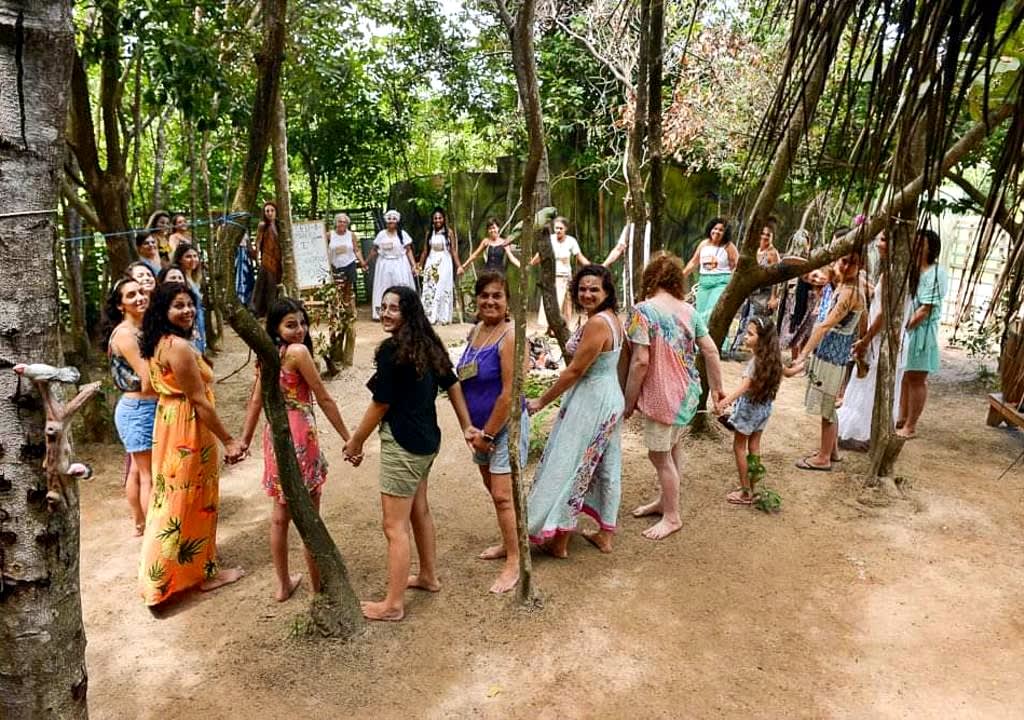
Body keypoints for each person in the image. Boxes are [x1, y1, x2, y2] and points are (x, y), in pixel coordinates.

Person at [343, 286, 476, 621]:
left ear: (409, 313)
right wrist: (464, 426)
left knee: (393, 526)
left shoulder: (393, 350)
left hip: (403, 444)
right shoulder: (428, 344)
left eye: (394, 308)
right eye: (383, 306)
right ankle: (428, 575)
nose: (386, 313)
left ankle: (393, 604)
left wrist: (356, 441)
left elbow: (381, 403)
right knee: (419, 511)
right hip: (427, 442)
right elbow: (453, 382)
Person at [138, 282, 246, 606]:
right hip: (187, 429)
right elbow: (199, 402)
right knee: (196, 499)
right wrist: (229, 440)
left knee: (169, 500)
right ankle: (205, 574)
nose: (187, 311)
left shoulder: (157, 341)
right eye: (178, 305)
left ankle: (160, 576)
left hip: (168, 424)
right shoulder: (179, 347)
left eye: (190, 304)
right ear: (163, 310)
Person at [240, 298, 353, 602]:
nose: (300, 330)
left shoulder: (267, 354)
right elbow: (324, 398)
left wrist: (244, 441)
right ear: (276, 327)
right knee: (309, 514)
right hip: (301, 436)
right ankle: (317, 586)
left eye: (303, 323)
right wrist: (348, 437)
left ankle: (283, 584)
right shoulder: (298, 352)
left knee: (279, 516)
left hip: (274, 438)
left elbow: (255, 401)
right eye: (291, 324)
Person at [526, 265, 627, 557]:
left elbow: (575, 371)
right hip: (608, 397)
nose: (587, 294)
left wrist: (541, 401)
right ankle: (605, 534)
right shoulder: (612, 320)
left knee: (570, 464)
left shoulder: (598, 324)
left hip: (593, 399)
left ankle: (560, 539)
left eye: (594, 289)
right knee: (606, 466)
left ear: (607, 292)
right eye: (582, 288)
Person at [624, 253, 725, 539]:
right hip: (687, 393)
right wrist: (717, 391)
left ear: (650, 278)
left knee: (658, 456)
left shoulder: (641, 311)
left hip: (662, 396)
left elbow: (640, 361)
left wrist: (629, 400)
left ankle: (672, 516)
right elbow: (711, 351)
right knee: (673, 448)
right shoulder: (689, 310)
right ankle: (664, 502)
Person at [455, 272, 528, 594]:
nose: (490, 301)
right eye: (484, 295)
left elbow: (510, 392)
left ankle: (515, 561)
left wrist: (487, 434)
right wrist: (470, 428)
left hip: (503, 428)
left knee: (503, 496)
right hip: (480, 430)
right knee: (495, 492)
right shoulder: (477, 331)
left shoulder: (510, 335)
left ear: (507, 301)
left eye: (497, 295)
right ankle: (507, 542)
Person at [787, 250, 866, 471]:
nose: (846, 266)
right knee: (828, 405)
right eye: (844, 261)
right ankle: (832, 451)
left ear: (859, 267)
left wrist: (802, 355)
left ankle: (823, 457)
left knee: (827, 409)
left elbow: (824, 325)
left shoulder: (850, 292)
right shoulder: (841, 286)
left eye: (853, 263)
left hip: (833, 357)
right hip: (829, 354)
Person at [103, 279, 158, 535]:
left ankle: (141, 523)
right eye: (131, 295)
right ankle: (153, 533)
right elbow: (147, 380)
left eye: (141, 292)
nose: (139, 297)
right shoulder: (125, 335)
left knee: (139, 469)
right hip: (139, 409)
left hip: (144, 407)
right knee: (148, 475)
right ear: (120, 305)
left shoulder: (141, 328)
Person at [839, 232, 901, 450]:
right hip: (879, 335)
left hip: (879, 337)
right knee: (865, 381)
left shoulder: (894, 273)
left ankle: (862, 433)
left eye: (884, 239)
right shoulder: (892, 271)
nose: (879, 243)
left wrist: (866, 339)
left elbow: (884, 314)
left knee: (870, 382)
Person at [715, 317, 783, 504]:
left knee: (739, 447)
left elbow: (744, 387)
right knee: (754, 447)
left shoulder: (755, 363)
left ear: (762, 339)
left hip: (748, 411)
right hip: (763, 410)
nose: (745, 337)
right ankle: (753, 487)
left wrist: (724, 402)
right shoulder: (773, 361)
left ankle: (745, 492)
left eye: (750, 334)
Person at [897, 229, 948, 439]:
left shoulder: (936, 273)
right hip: (908, 330)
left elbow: (925, 309)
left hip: (921, 332)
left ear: (931, 247)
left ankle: (911, 425)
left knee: (916, 378)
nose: (916, 244)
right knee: (905, 377)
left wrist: (906, 326)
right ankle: (901, 417)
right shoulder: (913, 270)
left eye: (922, 242)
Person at [324, 213, 368, 372]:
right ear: (336, 223)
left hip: (349, 266)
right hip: (335, 267)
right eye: (339, 221)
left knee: (348, 298)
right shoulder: (330, 235)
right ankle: (335, 354)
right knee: (336, 305)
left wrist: (362, 263)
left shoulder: (351, 235)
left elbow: (356, 250)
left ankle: (347, 302)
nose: (342, 224)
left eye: (344, 221)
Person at [728, 223, 781, 353]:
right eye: (762, 234)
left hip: (764, 295)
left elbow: (777, 278)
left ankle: (754, 350)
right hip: (749, 293)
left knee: (756, 322)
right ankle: (738, 347)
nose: (764, 237)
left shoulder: (772, 254)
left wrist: (774, 297)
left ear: (772, 237)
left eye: (768, 235)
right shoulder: (754, 251)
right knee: (744, 320)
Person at [529, 216, 590, 328]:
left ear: (565, 228)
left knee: (566, 305)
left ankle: (566, 328)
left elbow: (579, 256)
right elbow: (540, 255)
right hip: (551, 277)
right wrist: (530, 264)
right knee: (551, 305)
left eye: (560, 228)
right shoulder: (550, 239)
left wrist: (592, 267)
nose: (558, 230)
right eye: (556, 228)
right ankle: (548, 329)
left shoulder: (571, 241)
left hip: (565, 277)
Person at [682, 217, 739, 324]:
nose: (717, 232)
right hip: (704, 283)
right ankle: (700, 339)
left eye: (721, 230)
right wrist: (682, 275)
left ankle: (716, 339)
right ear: (710, 229)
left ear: (725, 233)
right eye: (715, 228)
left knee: (712, 312)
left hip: (721, 283)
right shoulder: (703, 244)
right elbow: (694, 262)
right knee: (700, 314)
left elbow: (738, 264)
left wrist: (732, 280)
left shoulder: (729, 246)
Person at [368, 210, 417, 321]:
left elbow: (408, 250)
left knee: (400, 286)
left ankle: (404, 311)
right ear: (386, 220)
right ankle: (382, 312)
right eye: (389, 218)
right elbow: (374, 250)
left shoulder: (402, 234)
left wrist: (413, 265)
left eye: (394, 219)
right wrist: (365, 262)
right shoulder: (381, 235)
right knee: (384, 287)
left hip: (399, 264)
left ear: (397, 221)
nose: (391, 221)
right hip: (384, 264)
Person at [419, 207, 461, 325]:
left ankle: (442, 316)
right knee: (430, 288)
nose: (438, 220)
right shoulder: (429, 233)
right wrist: (420, 265)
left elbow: (453, 251)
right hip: (431, 262)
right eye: (435, 218)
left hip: (444, 262)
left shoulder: (449, 233)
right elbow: (425, 251)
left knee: (441, 288)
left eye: (440, 218)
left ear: (444, 219)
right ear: (432, 220)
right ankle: (429, 316)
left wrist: (459, 266)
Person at [172, 244, 207, 354]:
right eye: (188, 256)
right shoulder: (179, 279)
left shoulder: (195, 278)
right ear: (179, 259)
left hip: (198, 319)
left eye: (195, 256)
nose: (193, 259)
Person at [253, 201, 282, 317]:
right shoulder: (262, 226)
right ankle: (268, 311)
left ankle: (275, 310)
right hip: (267, 259)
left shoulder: (280, 225)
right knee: (268, 285)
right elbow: (258, 242)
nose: (270, 213)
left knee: (276, 285)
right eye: (267, 211)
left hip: (278, 259)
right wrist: (258, 259)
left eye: (272, 211)